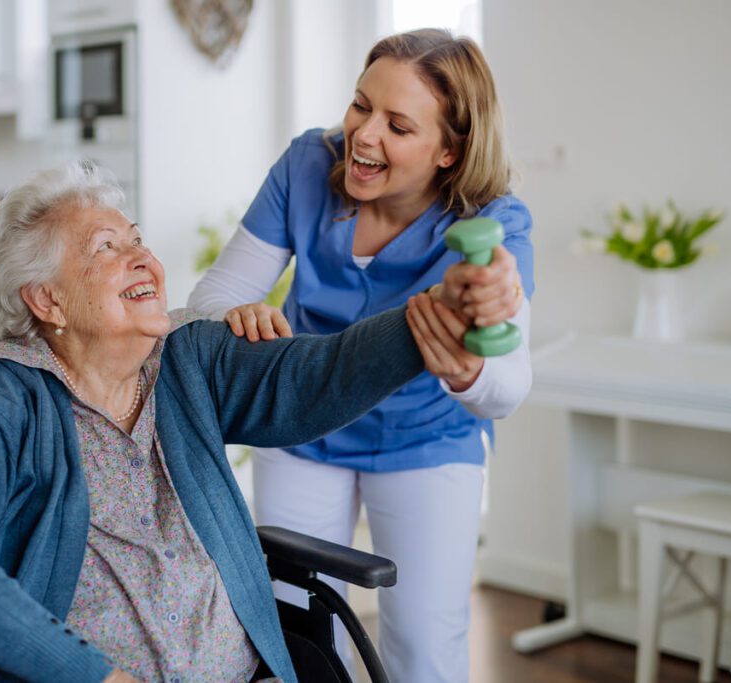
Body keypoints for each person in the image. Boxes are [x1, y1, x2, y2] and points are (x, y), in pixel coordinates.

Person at [0, 160, 446, 683]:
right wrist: (93, 678)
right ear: (47, 301)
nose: (142, 258)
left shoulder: (185, 354)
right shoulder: (7, 390)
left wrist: (436, 318)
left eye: (137, 240)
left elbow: (315, 378)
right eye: (105, 248)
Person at [187, 29, 534, 683]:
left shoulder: (494, 223)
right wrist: (238, 314)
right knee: (297, 631)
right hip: (305, 430)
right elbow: (214, 295)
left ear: (448, 151)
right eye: (360, 105)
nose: (363, 135)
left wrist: (470, 368)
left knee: (425, 648)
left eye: (398, 126)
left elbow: (510, 385)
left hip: (426, 438)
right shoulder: (307, 166)